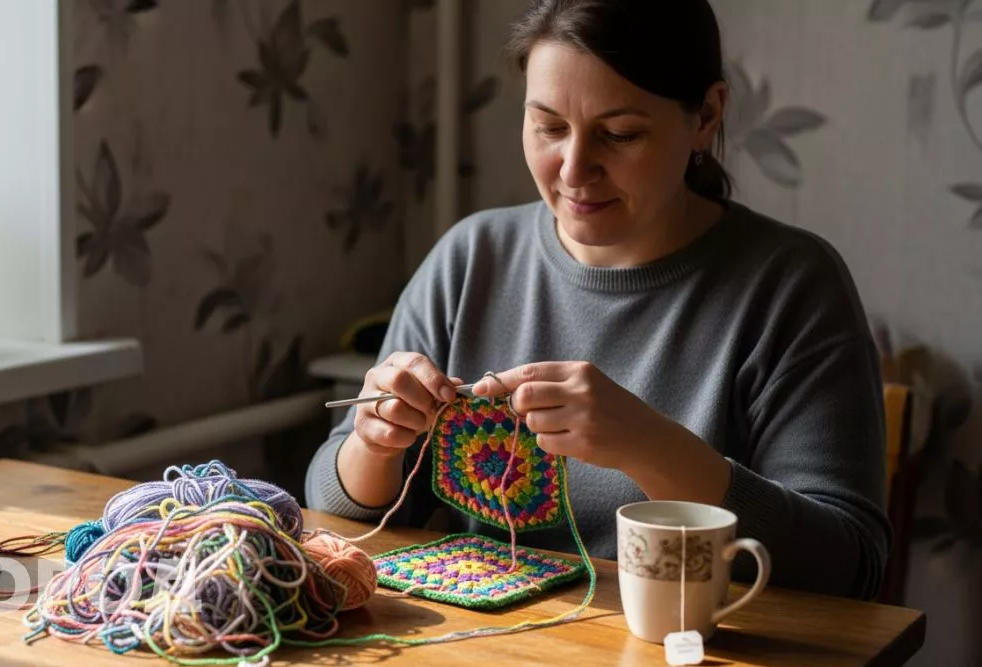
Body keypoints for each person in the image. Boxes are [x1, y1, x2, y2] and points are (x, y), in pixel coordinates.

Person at [305, 0, 891, 601]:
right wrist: (372, 442)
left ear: (706, 116)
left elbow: (850, 567)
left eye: (620, 134)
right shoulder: (470, 259)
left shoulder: (791, 286)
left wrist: (648, 445)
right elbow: (334, 514)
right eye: (549, 127)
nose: (575, 169)